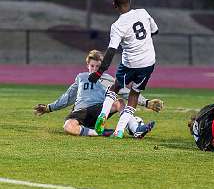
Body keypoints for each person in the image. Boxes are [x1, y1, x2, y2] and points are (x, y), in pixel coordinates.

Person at [33, 50, 163, 137]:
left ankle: (136, 129)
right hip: (81, 112)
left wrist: (146, 102)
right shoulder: (81, 77)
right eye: (92, 66)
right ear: (87, 66)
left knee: (120, 102)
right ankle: (101, 132)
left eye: (98, 66)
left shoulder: (108, 79)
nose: (94, 69)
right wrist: (49, 108)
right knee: (68, 127)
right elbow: (68, 97)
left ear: (102, 67)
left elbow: (126, 92)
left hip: (100, 111)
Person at [87, 0, 159, 138]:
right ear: (130, 1)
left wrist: (99, 72)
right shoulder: (143, 12)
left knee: (115, 87)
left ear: (114, 5)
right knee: (134, 94)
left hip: (130, 63)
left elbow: (111, 50)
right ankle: (119, 130)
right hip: (148, 62)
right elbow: (155, 31)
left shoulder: (118, 25)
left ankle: (103, 115)